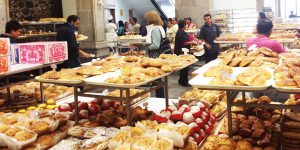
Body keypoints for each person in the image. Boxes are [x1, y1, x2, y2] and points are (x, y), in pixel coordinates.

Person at [143, 10, 170, 98]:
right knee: (158, 78)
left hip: (155, 57)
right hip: (159, 56)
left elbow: (155, 45)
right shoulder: (160, 27)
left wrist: (143, 47)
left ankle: (160, 98)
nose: (146, 21)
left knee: (157, 79)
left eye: (147, 19)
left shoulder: (155, 29)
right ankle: (160, 97)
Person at [174, 20, 196, 86]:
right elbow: (185, 42)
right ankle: (184, 82)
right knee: (185, 67)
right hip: (182, 52)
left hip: (181, 51)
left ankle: (181, 80)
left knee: (183, 67)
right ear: (184, 25)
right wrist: (192, 42)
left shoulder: (180, 31)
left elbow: (187, 38)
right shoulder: (181, 32)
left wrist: (192, 38)